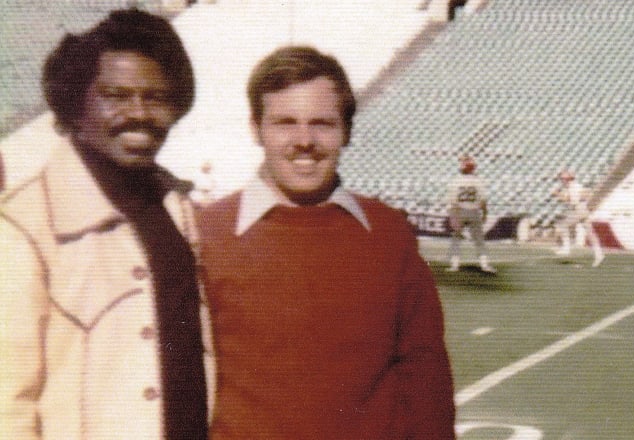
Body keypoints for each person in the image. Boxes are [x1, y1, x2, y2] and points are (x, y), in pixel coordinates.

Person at [197, 46, 456, 439]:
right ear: (256, 128)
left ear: (346, 131)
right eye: (285, 122)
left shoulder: (388, 234)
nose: (305, 140)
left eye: (322, 124)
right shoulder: (206, 234)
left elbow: (426, 376)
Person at [0, 9, 215, 439]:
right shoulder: (23, 225)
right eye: (115, 96)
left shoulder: (179, 208)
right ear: (77, 106)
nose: (138, 113)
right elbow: (8, 401)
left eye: (155, 98)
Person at [445, 154, 496, 273]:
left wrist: (453, 216)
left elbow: (452, 201)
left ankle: (455, 265)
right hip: (474, 211)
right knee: (479, 239)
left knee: (456, 238)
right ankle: (484, 265)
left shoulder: (456, 181)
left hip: (459, 210)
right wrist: (485, 213)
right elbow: (483, 200)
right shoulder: (478, 181)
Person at [553, 170, 605, 267]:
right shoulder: (569, 187)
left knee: (563, 224)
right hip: (581, 210)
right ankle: (599, 254)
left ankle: (566, 248)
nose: (562, 181)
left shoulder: (575, 186)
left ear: (568, 179)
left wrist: (582, 197)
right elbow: (567, 199)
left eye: (563, 179)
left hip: (580, 209)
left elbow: (584, 194)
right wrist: (558, 195)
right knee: (590, 233)